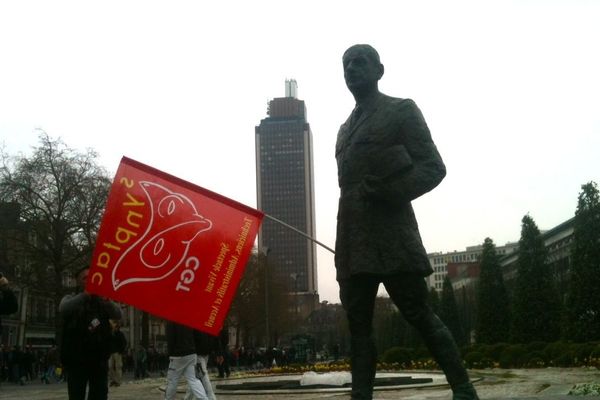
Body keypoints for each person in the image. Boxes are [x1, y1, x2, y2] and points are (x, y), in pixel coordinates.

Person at [335, 44, 479, 400]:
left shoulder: (400, 110)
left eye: (360, 62)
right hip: (353, 241)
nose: (352, 68)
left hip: (392, 235)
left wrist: (389, 191)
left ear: (379, 71)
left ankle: (463, 389)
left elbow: (433, 166)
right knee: (358, 329)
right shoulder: (343, 130)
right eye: (346, 64)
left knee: (419, 313)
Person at [59, 267, 122, 400]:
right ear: (78, 281)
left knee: (99, 395)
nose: (89, 280)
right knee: (76, 395)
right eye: (85, 278)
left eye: (91, 277)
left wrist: (107, 302)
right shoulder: (71, 298)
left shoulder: (101, 301)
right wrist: (84, 295)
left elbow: (118, 314)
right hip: (76, 359)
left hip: (98, 359)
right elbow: (63, 309)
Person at [164, 321, 208, 400]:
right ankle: (204, 398)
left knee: (172, 380)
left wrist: (170, 353)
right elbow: (198, 336)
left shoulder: (171, 319)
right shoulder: (190, 318)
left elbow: (170, 337)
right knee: (194, 379)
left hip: (177, 355)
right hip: (191, 353)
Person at [183, 330, 220, 400]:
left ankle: (188, 398)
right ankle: (211, 397)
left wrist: (219, 352)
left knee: (197, 376)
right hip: (198, 353)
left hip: (203, 352)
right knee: (203, 375)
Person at [108, 321, 127, 387]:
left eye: (115, 327)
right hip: (111, 352)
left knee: (118, 367)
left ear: (117, 328)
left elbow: (124, 343)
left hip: (117, 352)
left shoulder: (120, 334)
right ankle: (113, 380)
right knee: (110, 367)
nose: (114, 328)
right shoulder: (111, 334)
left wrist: (120, 351)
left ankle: (118, 381)